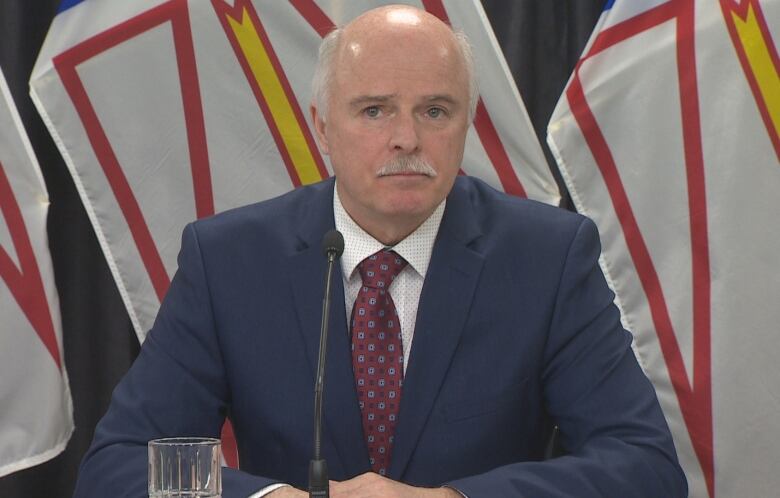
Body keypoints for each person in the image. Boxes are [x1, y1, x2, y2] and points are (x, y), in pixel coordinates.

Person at [73, 5, 687, 498]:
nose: (406, 138)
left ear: (467, 124)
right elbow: (116, 469)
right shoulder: (229, 259)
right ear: (322, 127)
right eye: (374, 110)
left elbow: (645, 468)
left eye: (435, 111)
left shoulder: (548, 257)